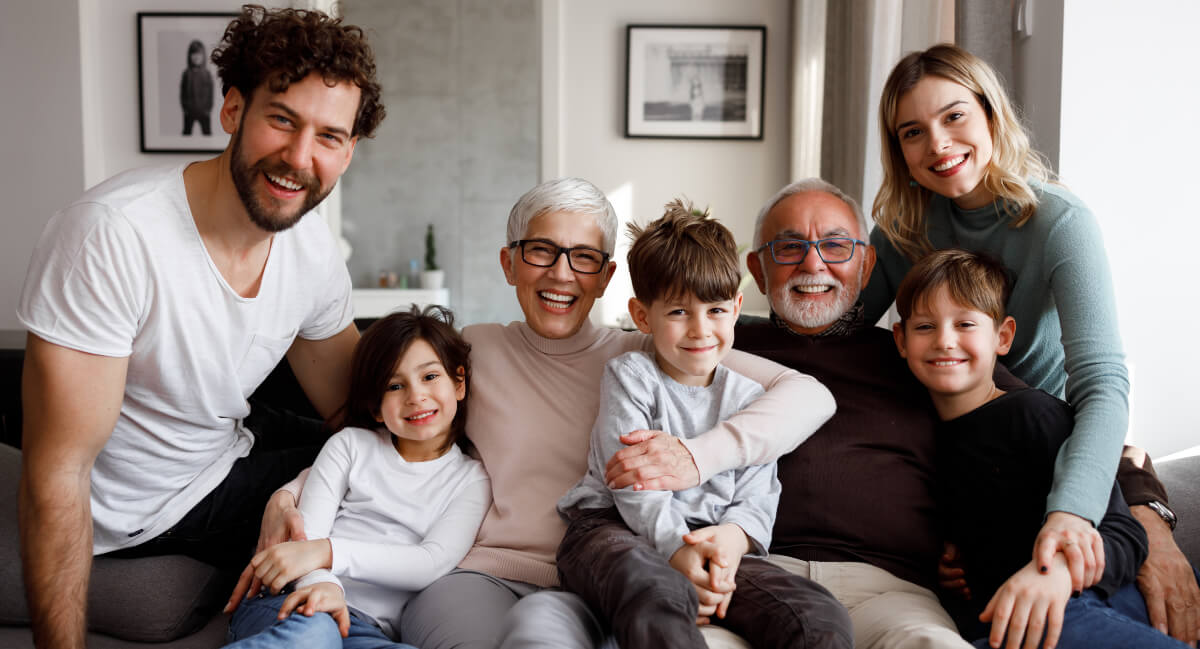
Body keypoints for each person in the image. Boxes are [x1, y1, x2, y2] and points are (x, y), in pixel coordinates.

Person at [255, 177, 836, 649]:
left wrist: (693, 458)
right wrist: (291, 493)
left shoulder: (652, 348)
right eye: (541, 251)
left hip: (596, 575)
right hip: (478, 571)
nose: (561, 274)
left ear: (608, 278)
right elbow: (384, 422)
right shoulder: (470, 351)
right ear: (510, 264)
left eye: (584, 258)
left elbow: (811, 396)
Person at [15, 6, 385, 648]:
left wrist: (295, 489)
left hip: (224, 447)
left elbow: (357, 408)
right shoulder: (113, 235)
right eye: (282, 120)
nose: (299, 158)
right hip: (147, 505)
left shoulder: (309, 245)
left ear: (349, 151)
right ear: (234, 111)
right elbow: (59, 473)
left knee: (414, 460)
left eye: (328, 136)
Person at [732, 178, 1195, 649]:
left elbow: (1056, 428)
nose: (814, 263)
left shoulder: (920, 358)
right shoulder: (716, 350)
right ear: (758, 266)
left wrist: (1149, 517)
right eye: (789, 247)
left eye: (835, 245)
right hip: (761, 577)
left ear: (867, 263)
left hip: (892, 592)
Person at [863, 43, 1129, 601]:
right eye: (912, 132)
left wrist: (1071, 514)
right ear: (899, 150)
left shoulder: (1060, 222)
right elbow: (836, 337)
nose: (937, 144)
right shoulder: (900, 232)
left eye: (954, 115)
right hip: (954, 462)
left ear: (990, 113)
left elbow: (1102, 383)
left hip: (1041, 452)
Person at [556, 200, 849, 649]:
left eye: (714, 310)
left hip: (714, 541)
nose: (700, 330)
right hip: (612, 530)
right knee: (655, 588)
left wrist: (730, 544)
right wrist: (676, 550)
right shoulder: (630, 376)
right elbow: (634, 483)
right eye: (678, 312)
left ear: (736, 308)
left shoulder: (749, 398)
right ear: (642, 316)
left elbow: (757, 494)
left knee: (817, 615)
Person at [891, 248, 1189, 649]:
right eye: (925, 327)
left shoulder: (1032, 414)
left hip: (1090, 601)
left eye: (965, 324)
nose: (945, 341)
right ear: (901, 340)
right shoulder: (919, 437)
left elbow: (1124, 535)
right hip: (1002, 621)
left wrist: (1056, 574)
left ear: (1003, 336)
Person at [223, 307, 490, 649]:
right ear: (377, 407)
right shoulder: (350, 445)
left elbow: (430, 562)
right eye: (395, 385)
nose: (415, 396)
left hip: (365, 628)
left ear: (459, 383)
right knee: (316, 634)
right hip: (292, 601)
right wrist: (325, 584)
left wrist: (329, 552)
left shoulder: (471, 479)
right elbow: (306, 537)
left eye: (430, 377)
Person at [181, 39, 214, 136]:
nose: (196, 57)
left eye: (199, 54)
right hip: (189, 111)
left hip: (204, 112)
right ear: (189, 56)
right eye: (193, 54)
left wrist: (208, 109)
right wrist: (185, 108)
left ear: (203, 55)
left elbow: (210, 94)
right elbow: (183, 93)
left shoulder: (206, 74)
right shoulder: (186, 74)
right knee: (187, 133)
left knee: (207, 133)